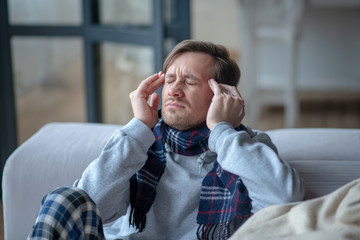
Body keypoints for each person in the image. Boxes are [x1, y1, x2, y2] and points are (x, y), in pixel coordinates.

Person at [28, 40, 304, 240]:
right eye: (170, 80)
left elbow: (284, 198)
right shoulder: (141, 143)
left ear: (223, 95)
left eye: (190, 81)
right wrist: (139, 127)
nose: (174, 90)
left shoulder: (245, 146)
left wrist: (221, 130)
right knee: (64, 199)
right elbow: (90, 203)